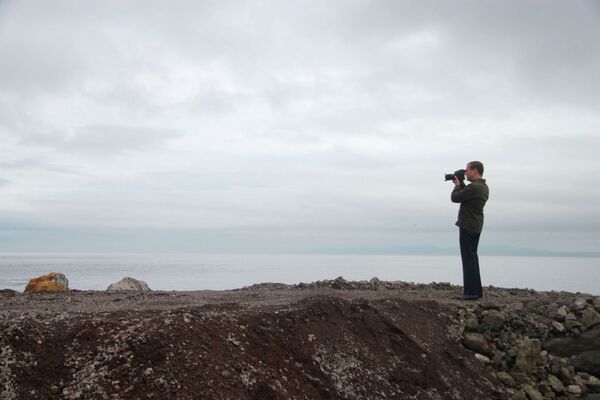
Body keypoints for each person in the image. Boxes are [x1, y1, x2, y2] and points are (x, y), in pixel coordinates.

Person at [450, 161, 489, 300]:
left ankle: (470, 293)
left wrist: (457, 186)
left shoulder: (475, 187)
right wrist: (461, 185)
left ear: (475, 170)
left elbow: (455, 198)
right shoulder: (482, 187)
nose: (466, 173)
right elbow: (466, 195)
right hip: (475, 225)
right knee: (472, 258)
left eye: (467, 170)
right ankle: (476, 291)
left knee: (468, 259)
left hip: (468, 225)